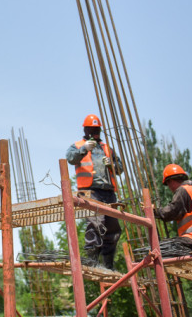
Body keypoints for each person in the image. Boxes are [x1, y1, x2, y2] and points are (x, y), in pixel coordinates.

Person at [65, 114, 123, 269]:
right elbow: (70, 158)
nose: (95, 133)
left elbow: (120, 169)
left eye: (97, 130)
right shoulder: (78, 145)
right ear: (86, 130)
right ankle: (93, 262)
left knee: (113, 228)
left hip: (108, 192)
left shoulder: (107, 148)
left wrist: (112, 165)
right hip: (90, 191)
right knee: (96, 224)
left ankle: (108, 265)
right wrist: (84, 149)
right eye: (92, 130)